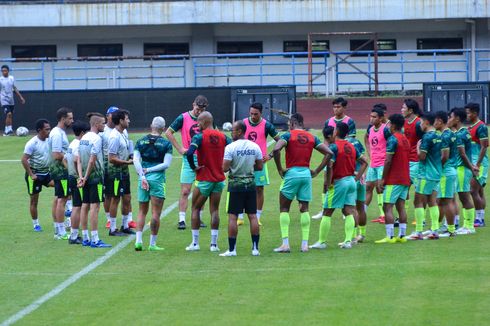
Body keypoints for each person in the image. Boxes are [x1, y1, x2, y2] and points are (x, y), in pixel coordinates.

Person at [271, 113, 332, 253]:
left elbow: (275, 149)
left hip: (292, 174)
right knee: (304, 209)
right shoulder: (312, 137)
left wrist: (280, 169)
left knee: (284, 208)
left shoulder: (288, 135)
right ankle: (305, 245)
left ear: (292, 123)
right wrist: (316, 171)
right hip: (306, 175)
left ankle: (285, 244)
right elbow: (329, 153)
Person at [309, 122, 367, 250]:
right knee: (349, 211)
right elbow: (364, 162)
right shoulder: (352, 146)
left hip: (339, 182)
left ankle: (322, 242)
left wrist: (329, 183)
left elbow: (329, 166)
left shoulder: (334, 147)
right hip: (351, 182)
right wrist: (356, 178)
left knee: (327, 211)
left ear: (336, 132)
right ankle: (348, 241)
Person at [185, 112, 230, 252]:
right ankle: (214, 245)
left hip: (204, 179)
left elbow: (189, 152)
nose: (197, 124)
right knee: (214, 210)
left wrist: (194, 167)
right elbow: (234, 148)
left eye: (199, 122)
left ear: (205, 121)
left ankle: (195, 243)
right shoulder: (223, 136)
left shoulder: (199, 137)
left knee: (195, 209)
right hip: (219, 180)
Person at [220, 120, 263, 257]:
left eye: (233, 130)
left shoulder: (230, 147)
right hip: (250, 185)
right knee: (252, 216)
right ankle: (255, 249)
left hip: (235, 186)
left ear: (239, 131)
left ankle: (232, 250)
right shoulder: (255, 146)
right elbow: (260, 167)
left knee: (233, 217)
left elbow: (225, 168)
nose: (231, 132)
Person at [166, 95, 208, 230]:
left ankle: (199, 218)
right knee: (185, 190)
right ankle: (182, 219)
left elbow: (214, 134)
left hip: (203, 159)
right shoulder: (183, 117)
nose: (199, 112)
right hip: (189, 159)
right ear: (193, 105)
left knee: (202, 190)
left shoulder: (207, 118)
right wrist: (179, 148)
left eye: (201, 110)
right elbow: (168, 132)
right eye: (197, 109)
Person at [133, 117, 173, 251]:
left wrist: (142, 175)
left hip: (142, 179)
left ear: (151, 125)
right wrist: (150, 170)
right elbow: (166, 164)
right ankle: (152, 244)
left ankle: (138, 242)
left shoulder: (140, 141)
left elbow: (136, 160)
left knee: (141, 211)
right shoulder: (166, 144)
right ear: (163, 128)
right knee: (156, 213)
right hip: (157, 179)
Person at [237, 102, 280, 226]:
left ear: (261, 113)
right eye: (251, 113)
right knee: (241, 188)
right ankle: (240, 216)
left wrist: (270, 155)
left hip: (259, 162)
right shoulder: (243, 123)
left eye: (256, 114)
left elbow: (281, 141)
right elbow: (235, 138)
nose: (253, 116)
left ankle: (257, 217)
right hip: (243, 161)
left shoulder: (267, 125)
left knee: (259, 189)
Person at [374, 114, 410, 243]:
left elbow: (388, 161)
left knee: (387, 206)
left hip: (394, 179)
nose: (387, 126)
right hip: (405, 178)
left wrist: (383, 179)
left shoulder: (393, 139)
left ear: (393, 125)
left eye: (388, 124)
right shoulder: (405, 139)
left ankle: (389, 237)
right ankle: (402, 236)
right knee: (401, 207)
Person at [406, 112, 442, 240]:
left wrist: (417, 148)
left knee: (418, 201)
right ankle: (435, 230)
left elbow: (422, 157)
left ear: (426, 122)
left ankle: (419, 232)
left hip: (425, 174)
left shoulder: (426, 138)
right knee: (432, 201)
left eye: (421, 122)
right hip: (437, 173)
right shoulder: (438, 136)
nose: (420, 125)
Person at [78, 112, 111, 248]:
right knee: (95, 207)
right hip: (95, 178)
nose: (104, 125)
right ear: (96, 124)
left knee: (85, 205)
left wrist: (81, 177)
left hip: (84, 177)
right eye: (103, 123)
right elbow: (92, 160)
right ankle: (95, 239)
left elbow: (78, 159)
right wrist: (86, 177)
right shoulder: (97, 139)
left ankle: (85, 237)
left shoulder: (84, 137)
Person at [101, 106, 136, 229]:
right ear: (121, 121)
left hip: (124, 172)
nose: (129, 121)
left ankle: (125, 226)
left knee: (127, 197)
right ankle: (113, 227)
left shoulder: (122, 133)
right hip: (115, 173)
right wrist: (128, 163)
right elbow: (111, 158)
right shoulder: (114, 136)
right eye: (127, 119)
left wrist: (132, 156)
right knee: (115, 198)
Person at [448, 108, 478, 235]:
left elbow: (462, 154)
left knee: (464, 197)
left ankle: (469, 226)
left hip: (462, 169)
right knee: (463, 196)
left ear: (457, 119)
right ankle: (466, 224)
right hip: (463, 169)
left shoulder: (460, 134)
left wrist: (471, 167)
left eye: (451, 117)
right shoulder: (464, 132)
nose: (449, 120)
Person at [21, 119, 52, 231]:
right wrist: (31, 174)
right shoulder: (32, 143)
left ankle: (67, 213)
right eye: (47, 129)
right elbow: (24, 159)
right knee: (34, 201)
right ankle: (36, 224)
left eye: (49, 128)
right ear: (40, 130)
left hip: (47, 173)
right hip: (35, 175)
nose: (49, 131)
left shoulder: (50, 140)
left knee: (63, 188)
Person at [49, 107, 74, 240]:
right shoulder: (57, 134)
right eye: (70, 118)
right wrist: (70, 163)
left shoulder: (60, 132)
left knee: (59, 198)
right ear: (63, 119)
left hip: (60, 171)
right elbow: (57, 154)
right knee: (62, 200)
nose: (72, 120)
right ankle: (61, 232)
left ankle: (58, 230)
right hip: (61, 171)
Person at [433, 111, 458, 237]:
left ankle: (451, 230)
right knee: (442, 200)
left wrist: (437, 168)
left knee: (446, 201)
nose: (433, 124)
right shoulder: (450, 134)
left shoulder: (444, 136)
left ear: (440, 121)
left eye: (435, 121)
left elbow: (444, 156)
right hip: (451, 170)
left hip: (445, 172)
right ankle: (439, 227)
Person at [65, 120, 90, 244]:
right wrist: (80, 177)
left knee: (77, 205)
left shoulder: (72, 143)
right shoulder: (78, 145)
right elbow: (76, 160)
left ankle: (74, 234)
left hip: (71, 176)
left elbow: (65, 159)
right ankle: (74, 236)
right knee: (77, 206)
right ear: (82, 133)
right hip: (76, 178)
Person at [365, 106, 391, 223]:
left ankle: (385, 214)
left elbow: (392, 144)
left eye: (374, 117)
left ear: (380, 119)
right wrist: (369, 152)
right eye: (370, 116)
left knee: (381, 189)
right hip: (373, 164)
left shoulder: (385, 130)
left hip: (382, 164)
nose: (371, 119)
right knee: (368, 187)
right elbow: (367, 139)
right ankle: (362, 212)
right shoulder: (370, 130)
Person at [401, 99, 424, 225]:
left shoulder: (418, 123)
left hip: (416, 162)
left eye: (403, 107)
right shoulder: (404, 123)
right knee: (404, 189)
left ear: (410, 110)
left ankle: (421, 217)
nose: (401, 109)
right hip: (406, 161)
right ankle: (402, 216)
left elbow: (424, 141)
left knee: (419, 190)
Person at [466, 102, 488, 227]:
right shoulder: (471, 127)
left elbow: (484, 147)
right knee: (479, 191)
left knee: (473, 190)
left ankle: (479, 219)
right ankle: (481, 217)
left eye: (469, 113)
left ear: (474, 113)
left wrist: (477, 165)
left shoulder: (481, 127)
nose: (467, 115)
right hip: (474, 162)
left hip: (480, 163)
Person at [1, 65, 25, 136]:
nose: (4, 72)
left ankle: (10, 130)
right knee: (9, 114)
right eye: (2, 71)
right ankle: (6, 131)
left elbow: (14, 88)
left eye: (5, 70)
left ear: (8, 71)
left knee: (10, 115)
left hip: (11, 100)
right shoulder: (0, 79)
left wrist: (21, 97)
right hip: (3, 99)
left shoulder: (11, 78)